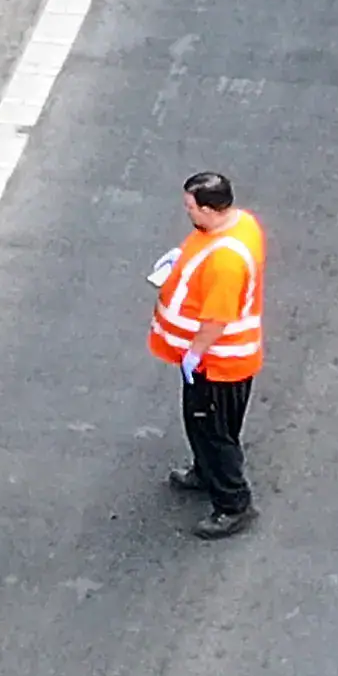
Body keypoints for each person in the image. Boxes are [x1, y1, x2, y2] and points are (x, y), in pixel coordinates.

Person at [148, 170, 267, 540]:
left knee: (213, 431)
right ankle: (206, 471)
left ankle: (233, 503)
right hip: (223, 360)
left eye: (190, 207)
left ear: (210, 209)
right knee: (211, 427)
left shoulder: (226, 262)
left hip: (217, 363)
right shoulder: (239, 225)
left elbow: (216, 319)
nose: (187, 212)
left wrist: (194, 353)